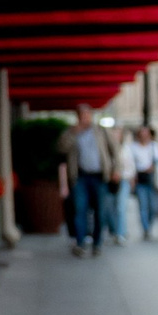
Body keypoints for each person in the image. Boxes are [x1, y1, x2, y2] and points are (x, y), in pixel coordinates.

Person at [58, 105, 106, 256]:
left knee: (100, 212)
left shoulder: (100, 131)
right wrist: (74, 133)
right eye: (82, 115)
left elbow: (114, 150)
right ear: (78, 117)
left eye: (87, 115)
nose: (85, 118)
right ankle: (80, 243)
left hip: (99, 176)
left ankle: (97, 244)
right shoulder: (72, 132)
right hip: (80, 177)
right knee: (80, 210)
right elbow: (61, 148)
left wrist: (116, 169)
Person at [130, 123, 158, 239]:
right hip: (140, 179)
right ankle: (146, 228)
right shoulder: (133, 147)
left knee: (152, 206)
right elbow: (130, 162)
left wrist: (154, 166)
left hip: (151, 179)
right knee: (143, 205)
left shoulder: (154, 146)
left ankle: (149, 225)